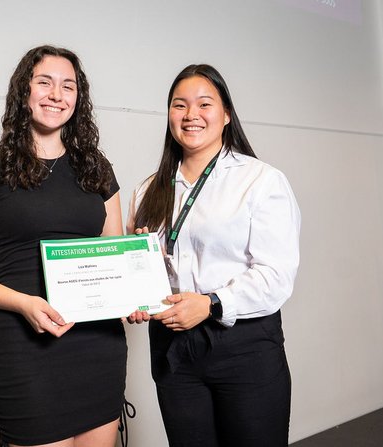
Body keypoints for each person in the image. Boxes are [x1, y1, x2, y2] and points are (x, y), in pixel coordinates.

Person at [0, 45, 127, 447]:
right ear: (23, 90)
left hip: (98, 346)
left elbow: (115, 255)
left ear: (79, 98)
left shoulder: (97, 168)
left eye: (68, 86)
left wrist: (140, 288)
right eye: (45, 82)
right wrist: (24, 303)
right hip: (25, 342)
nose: (57, 94)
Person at [126, 64, 300, 447]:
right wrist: (134, 297)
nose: (191, 115)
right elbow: (143, 271)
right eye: (179, 105)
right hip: (173, 349)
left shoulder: (260, 181)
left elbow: (276, 276)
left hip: (244, 348)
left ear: (225, 116)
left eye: (204, 104)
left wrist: (212, 304)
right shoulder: (146, 191)